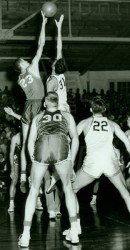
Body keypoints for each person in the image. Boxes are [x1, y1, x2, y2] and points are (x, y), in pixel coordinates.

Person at [18, 92, 79, 247]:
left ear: (45, 104)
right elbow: (75, 139)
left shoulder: (38, 117)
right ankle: (74, 231)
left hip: (42, 146)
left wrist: (34, 161)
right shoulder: (67, 116)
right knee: (68, 188)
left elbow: (30, 141)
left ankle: (25, 235)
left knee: (33, 190)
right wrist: (70, 160)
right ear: (57, 104)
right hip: (61, 146)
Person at [72, 97, 130, 228]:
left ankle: (75, 227)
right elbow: (127, 143)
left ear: (91, 109)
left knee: (71, 190)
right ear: (104, 110)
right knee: (125, 193)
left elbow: (72, 139)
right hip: (110, 161)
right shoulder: (113, 124)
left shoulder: (84, 123)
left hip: (93, 163)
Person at [13, 12, 47, 193]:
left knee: (26, 141)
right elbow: (40, 44)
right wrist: (43, 23)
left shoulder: (19, 78)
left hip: (27, 106)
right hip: (37, 105)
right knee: (39, 140)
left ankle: (23, 176)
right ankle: (39, 175)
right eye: (24, 61)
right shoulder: (32, 68)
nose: (27, 60)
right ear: (23, 65)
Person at [8, 132, 43, 212]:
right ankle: (11, 203)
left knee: (39, 179)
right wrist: (12, 170)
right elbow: (11, 154)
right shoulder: (15, 138)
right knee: (14, 180)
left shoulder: (33, 134)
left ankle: (38, 200)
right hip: (17, 161)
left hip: (29, 160)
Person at [46, 14, 70, 112]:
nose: (55, 59)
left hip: (58, 109)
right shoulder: (60, 73)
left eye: (55, 61)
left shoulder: (52, 81)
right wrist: (59, 27)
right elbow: (59, 47)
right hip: (65, 106)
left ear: (53, 67)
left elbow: (50, 100)